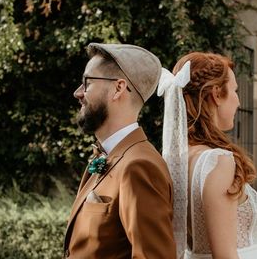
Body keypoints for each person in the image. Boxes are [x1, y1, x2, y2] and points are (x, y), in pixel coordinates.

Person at [63, 43, 176, 259]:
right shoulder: (107, 155)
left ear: (118, 88)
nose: (78, 93)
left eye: (87, 82)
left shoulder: (139, 166)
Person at [159, 52, 257, 259]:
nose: (238, 101)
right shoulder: (218, 161)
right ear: (217, 94)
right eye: (235, 91)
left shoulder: (174, 160)